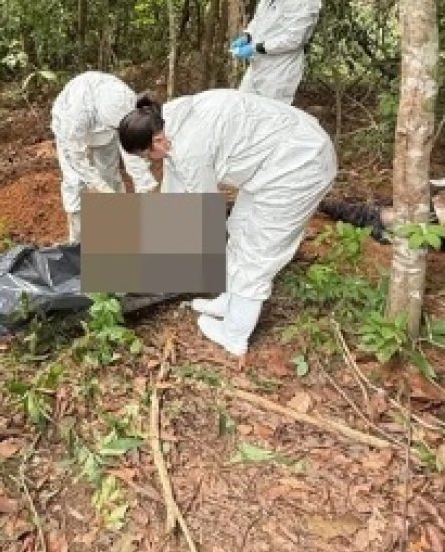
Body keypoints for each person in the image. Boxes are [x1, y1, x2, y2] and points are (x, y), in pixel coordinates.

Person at [118, 89, 337, 357]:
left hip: (300, 165)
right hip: (275, 158)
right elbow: (175, 187)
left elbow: (201, 212)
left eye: (144, 156)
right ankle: (231, 302)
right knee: (239, 227)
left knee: (257, 252)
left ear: (158, 142)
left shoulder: (189, 149)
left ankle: (234, 334)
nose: (146, 162)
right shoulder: (168, 116)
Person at [51, 71, 158, 242]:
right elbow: (76, 159)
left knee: (109, 177)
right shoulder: (73, 116)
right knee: (75, 184)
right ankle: (77, 243)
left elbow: (132, 147)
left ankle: (114, 236)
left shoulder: (126, 101)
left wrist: (144, 184)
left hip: (107, 134)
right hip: (72, 135)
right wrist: (99, 187)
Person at [229, 0, 321, 105]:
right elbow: (260, 20)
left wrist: (256, 48)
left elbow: (294, 39)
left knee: (269, 121)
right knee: (242, 108)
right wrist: (248, 36)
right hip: (258, 66)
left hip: (280, 72)